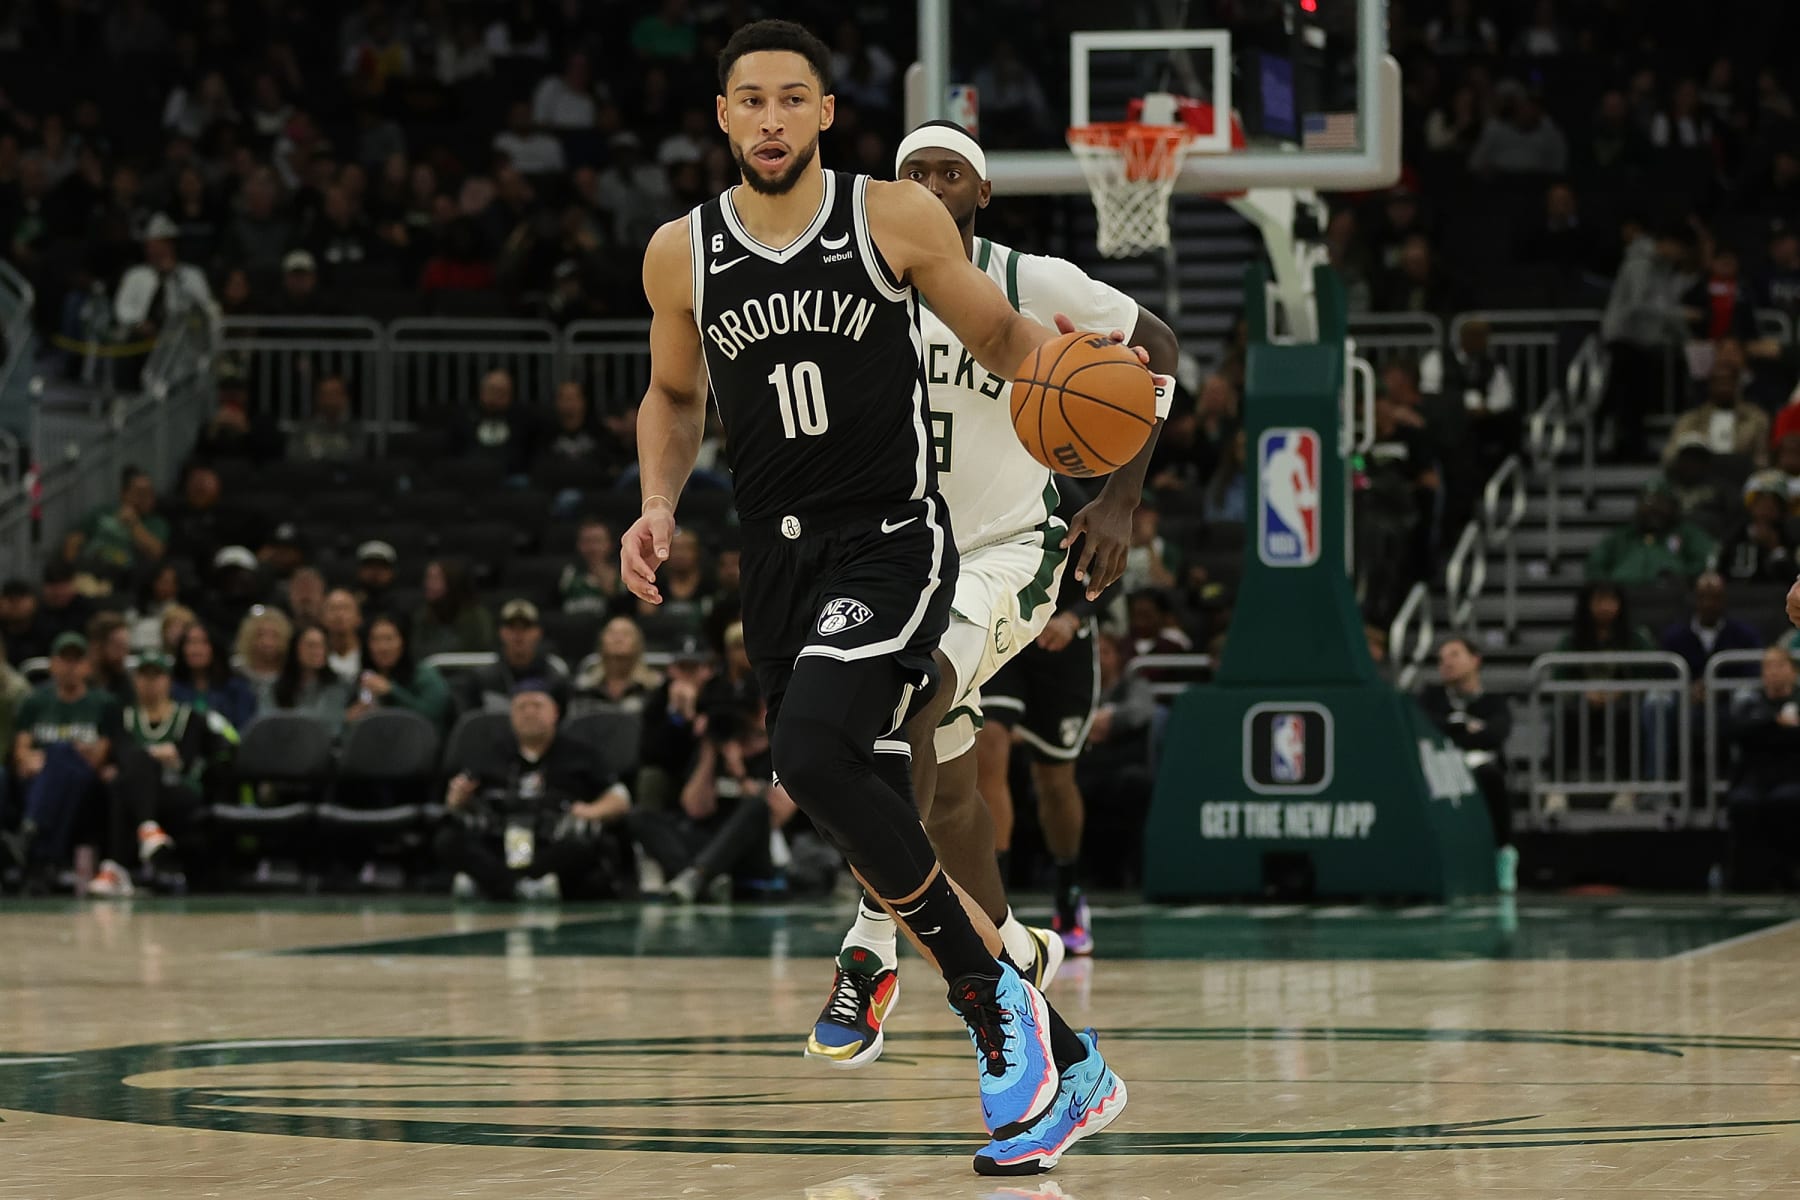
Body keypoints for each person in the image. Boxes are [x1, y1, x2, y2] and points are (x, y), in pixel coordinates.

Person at [620, 22, 1129, 1171]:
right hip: (776, 562)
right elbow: (669, 393)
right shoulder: (679, 253)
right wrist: (657, 503)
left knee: (814, 757)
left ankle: (989, 1016)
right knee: (855, 792)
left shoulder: (891, 216)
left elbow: (998, 332)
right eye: (748, 101)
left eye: (791, 100)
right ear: (721, 116)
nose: (768, 120)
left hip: (890, 543)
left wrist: (1079, 385)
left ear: (825, 114)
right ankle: (1066, 1056)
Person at [436, 680, 631, 901]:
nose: (529, 713)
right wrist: (458, 798)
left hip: (552, 840)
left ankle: (495, 885)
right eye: (521, 707)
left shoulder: (581, 754)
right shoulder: (489, 754)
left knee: (584, 846)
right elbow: (458, 798)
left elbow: (619, 797)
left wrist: (591, 811)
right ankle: (521, 887)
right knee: (448, 839)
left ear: (555, 712)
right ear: (511, 715)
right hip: (499, 838)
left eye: (537, 706)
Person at [92, 651, 237, 897]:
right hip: (137, 791)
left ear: (168, 681)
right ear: (135, 681)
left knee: (125, 781)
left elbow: (191, 757)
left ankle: (116, 865)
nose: (150, 683)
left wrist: (148, 756)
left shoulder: (189, 716)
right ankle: (147, 833)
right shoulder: (123, 716)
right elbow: (123, 752)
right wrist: (157, 754)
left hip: (179, 791)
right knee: (126, 779)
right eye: (144, 676)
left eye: (156, 676)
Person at [631, 697, 794, 901]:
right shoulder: (713, 750)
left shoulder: (777, 751)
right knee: (640, 816)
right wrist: (709, 754)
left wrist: (740, 774)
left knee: (756, 806)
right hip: (709, 842)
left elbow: (778, 815)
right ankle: (702, 878)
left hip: (751, 850)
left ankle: (698, 877)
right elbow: (696, 809)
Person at [1, 633, 122, 885]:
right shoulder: (35, 701)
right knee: (59, 764)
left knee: (61, 754)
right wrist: (30, 760)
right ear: (52, 665)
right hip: (37, 779)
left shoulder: (104, 703)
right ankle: (46, 855)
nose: (70, 667)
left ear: (87, 666)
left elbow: (98, 758)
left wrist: (53, 756)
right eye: (64, 660)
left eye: (77, 660)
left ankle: (30, 832)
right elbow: (21, 752)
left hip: (85, 782)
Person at [1418, 637, 1517, 893]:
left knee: (1491, 777)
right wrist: (1461, 724)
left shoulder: (1494, 701)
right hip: (1438, 766)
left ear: (1475, 660)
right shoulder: (1430, 696)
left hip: (1481, 768)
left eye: (1454, 655)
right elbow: (1425, 726)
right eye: (1441, 659)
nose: (1446, 663)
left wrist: (1453, 734)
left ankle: (1503, 854)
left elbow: (1495, 734)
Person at [1725, 646, 1800, 888]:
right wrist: (1776, 725)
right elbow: (1739, 732)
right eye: (1768, 667)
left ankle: (1788, 874)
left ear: (1793, 671)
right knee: (1743, 803)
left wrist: (1770, 732)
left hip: (1793, 774)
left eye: (1780, 666)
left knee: (1786, 802)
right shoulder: (1750, 702)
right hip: (1755, 777)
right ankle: (1747, 879)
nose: (1774, 672)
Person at [1585, 480, 1716, 586]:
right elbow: (1594, 565)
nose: (1653, 508)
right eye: (1647, 502)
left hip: (1674, 600)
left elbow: (1708, 560)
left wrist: (1685, 577)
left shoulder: (1687, 534)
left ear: (1673, 506)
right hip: (1625, 600)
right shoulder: (1621, 536)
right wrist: (1610, 586)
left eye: (1660, 502)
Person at [459, 600, 572, 715]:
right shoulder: (482, 680)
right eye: (512, 627)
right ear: (501, 632)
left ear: (538, 632)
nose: (518, 634)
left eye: (525, 627)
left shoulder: (554, 677)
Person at [62, 466, 169, 587]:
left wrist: (134, 524)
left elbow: (157, 552)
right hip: (88, 568)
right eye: (140, 493)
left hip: (121, 578)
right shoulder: (103, 512)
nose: (147, 498)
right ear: (124, 494)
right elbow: (74, 539)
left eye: (150, 492)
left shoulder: (156, 523)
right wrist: (69, 575)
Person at [346, 615, 453, 733]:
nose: (382, 647)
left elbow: (432, 713)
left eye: (389, 639)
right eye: (375, 640)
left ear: (403, 641)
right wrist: (351, 717)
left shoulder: (424, 674)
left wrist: (392, 691)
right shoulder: (365, 677)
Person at [269, 623, 355, 739]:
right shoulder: (275, 686)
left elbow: (334, 729)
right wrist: (343, 717)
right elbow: (268, 723)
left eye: (322, 646)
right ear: (295, 648)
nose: (317, 651)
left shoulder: (340, 685)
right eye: (311, 645)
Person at [170, 622, 258, 731]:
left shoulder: (237, 690)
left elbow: (246, 730)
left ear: (215, 647)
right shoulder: (171, 689)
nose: (196, 649)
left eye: (203, 642)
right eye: (190, 642)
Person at [571, 616, 661, 716]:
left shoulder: (655, 687)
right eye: (612, 634)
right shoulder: (583, 687)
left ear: (638, 644)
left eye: (626, 634)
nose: (618, 639)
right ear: (601, 642)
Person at [1719, 472, 1798, 582]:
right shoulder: (1736, 533)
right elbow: (1721, 566)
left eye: (1773, 503)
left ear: (1781, 508)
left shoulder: (1789, 535)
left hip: (1774, 594)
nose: (1766, 508)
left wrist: (1775, 548)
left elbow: (1792, 579)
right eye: (1760, 502)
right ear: (1750, 505)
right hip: (1735, 592)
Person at [410, 559, 494, 660]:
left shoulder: (477, 616)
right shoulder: (423, 615)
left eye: (435, 578)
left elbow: (481, 648)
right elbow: (417, 651)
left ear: (452, 582)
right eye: (428, 578)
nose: (428, 584)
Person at [235, 605, 294, 710]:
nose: (267, 642)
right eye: (260, 635)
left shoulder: (291, 674)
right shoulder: (236, 671)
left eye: (274, 635)